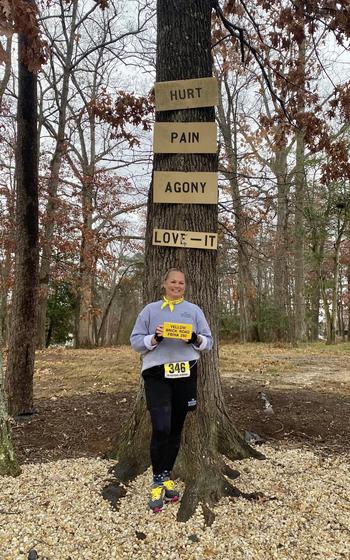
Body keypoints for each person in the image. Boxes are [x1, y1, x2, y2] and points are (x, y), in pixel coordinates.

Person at [130, 268, 213, 512]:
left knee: (176, 428)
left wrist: (195, 339)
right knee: (161, 426)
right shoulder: (150, 310)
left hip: (185, 372)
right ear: (164, 284)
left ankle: (166, 475)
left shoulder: (194, 311)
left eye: (181, 283)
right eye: (173, 282)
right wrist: (153, 339)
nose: (177, 286)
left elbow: (208, 342)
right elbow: (135, 341)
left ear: (184, 286)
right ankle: (157, 479)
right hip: (157, 374)